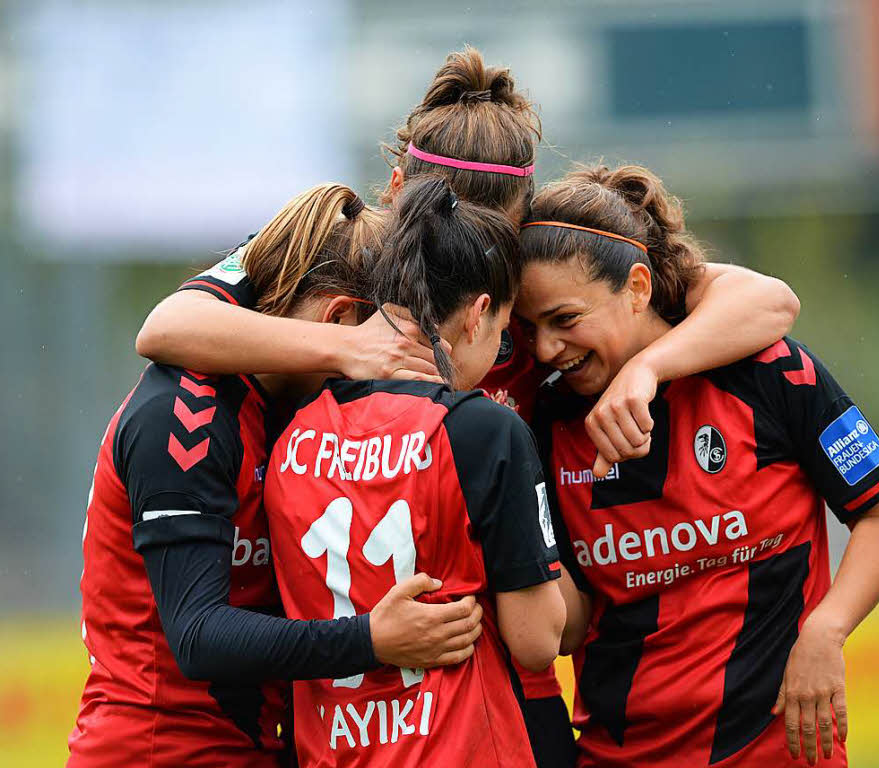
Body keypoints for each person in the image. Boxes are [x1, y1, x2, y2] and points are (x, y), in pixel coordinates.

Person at [130, 49, 800, 768]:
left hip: (472, 695)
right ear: (397, 188)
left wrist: (648, 368)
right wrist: (345, 353)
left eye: (495, 236)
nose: (464, 243)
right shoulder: (346, 258)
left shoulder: (539, 279)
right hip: (405, 690)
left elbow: (768, 301)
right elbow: (164, 329)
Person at [68, 183, 484, 768]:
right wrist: (370, 640)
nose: (381, 385)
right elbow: (197, 635)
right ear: (339, 320)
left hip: (253, 747)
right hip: (158, 752)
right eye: (385, 355)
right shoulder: (186, 416)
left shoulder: (283, 413)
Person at [515, 164, 879, 768]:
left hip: (779, 750)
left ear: (639, 288)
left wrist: (825, 631)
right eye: (532, 327)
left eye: (565, 320)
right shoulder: (545, 423)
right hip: (618, 755)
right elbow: (570, 626)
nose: (546, 348)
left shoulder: (773, 373)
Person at [263, 175, 565, 767]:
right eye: (503, 334)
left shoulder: (292, 435)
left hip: (333, 751)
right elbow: (537, 642)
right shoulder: (485, 431)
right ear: (478, 316)